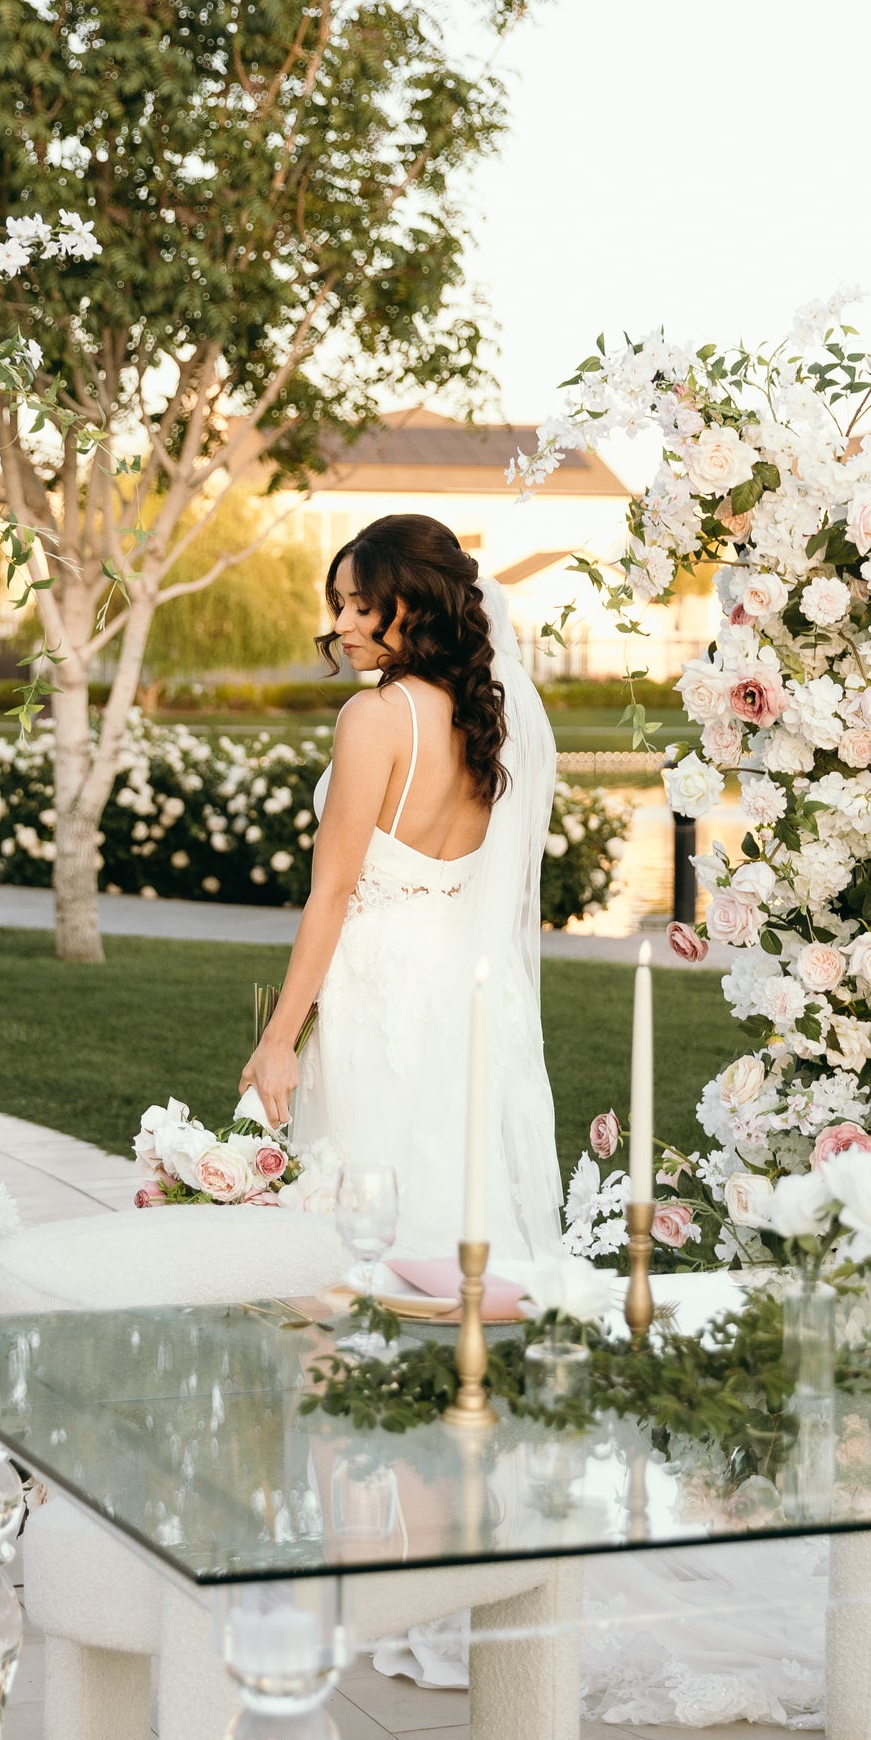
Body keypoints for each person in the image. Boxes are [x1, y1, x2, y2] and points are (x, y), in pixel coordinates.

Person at [240, 515, 562, 1261]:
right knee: (461, 1199)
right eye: (340, 605)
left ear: (413, 606)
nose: (343, 625)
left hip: (376, 986)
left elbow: (334, 892)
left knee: (361, 1207)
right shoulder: (493, 715)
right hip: (471, 983)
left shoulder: (374, 717)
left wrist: (278, 1039)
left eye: (361, 606)